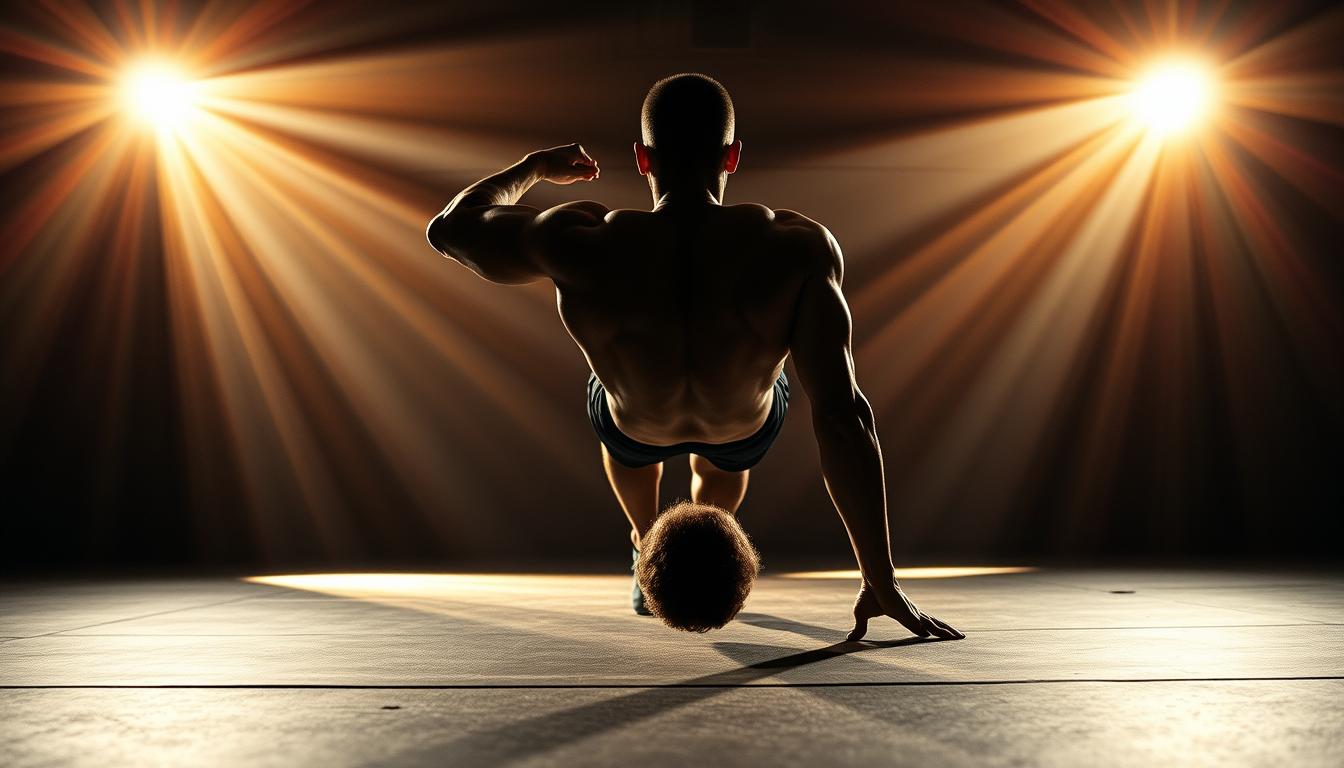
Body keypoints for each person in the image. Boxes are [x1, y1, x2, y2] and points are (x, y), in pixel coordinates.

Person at [427, 73, 962, 642]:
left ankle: (643, 545)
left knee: (626, 433)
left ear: (641, 159)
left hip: (633, 420)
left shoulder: (580, 239)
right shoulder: (796, 247)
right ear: (732, 156)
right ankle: (704, 536)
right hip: (745, 425)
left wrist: (534, 167)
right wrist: (879, 578)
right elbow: (841, 413)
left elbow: (450, 229)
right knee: (724, 458)